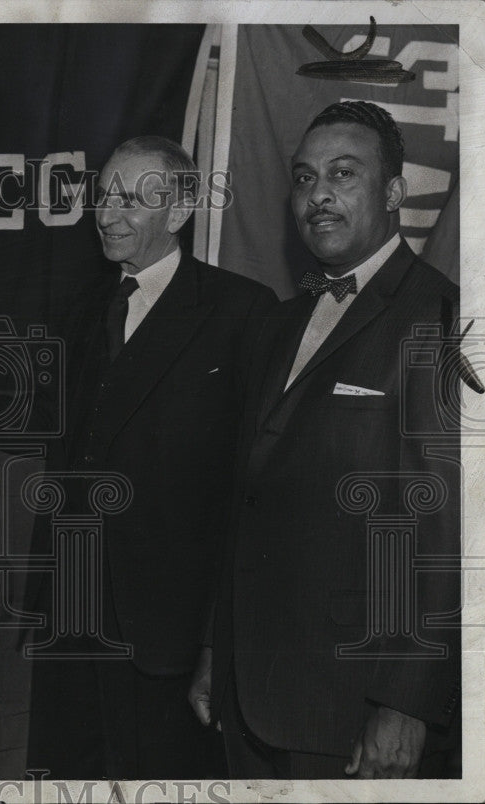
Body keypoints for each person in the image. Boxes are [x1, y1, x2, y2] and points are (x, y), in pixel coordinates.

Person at [0, 136, 276, 778]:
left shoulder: (242, 312)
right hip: (72, 608)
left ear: (177, 213)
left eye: (133, 199)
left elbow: (252, 493)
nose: (109, 213)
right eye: (104, 194)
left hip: (165, 634)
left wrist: (215, 642)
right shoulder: (88, 306)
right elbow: (45, 416)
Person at [191, 101, 461, 779]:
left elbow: (449, 533)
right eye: (305, 178)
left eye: (343, 174)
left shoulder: (444, 317)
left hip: (354, 714)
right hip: (247, 699)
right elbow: (247, 501)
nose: (319, 196)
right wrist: (216, 650)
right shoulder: (277, 325)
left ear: (395, 192)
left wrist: (407, 705)